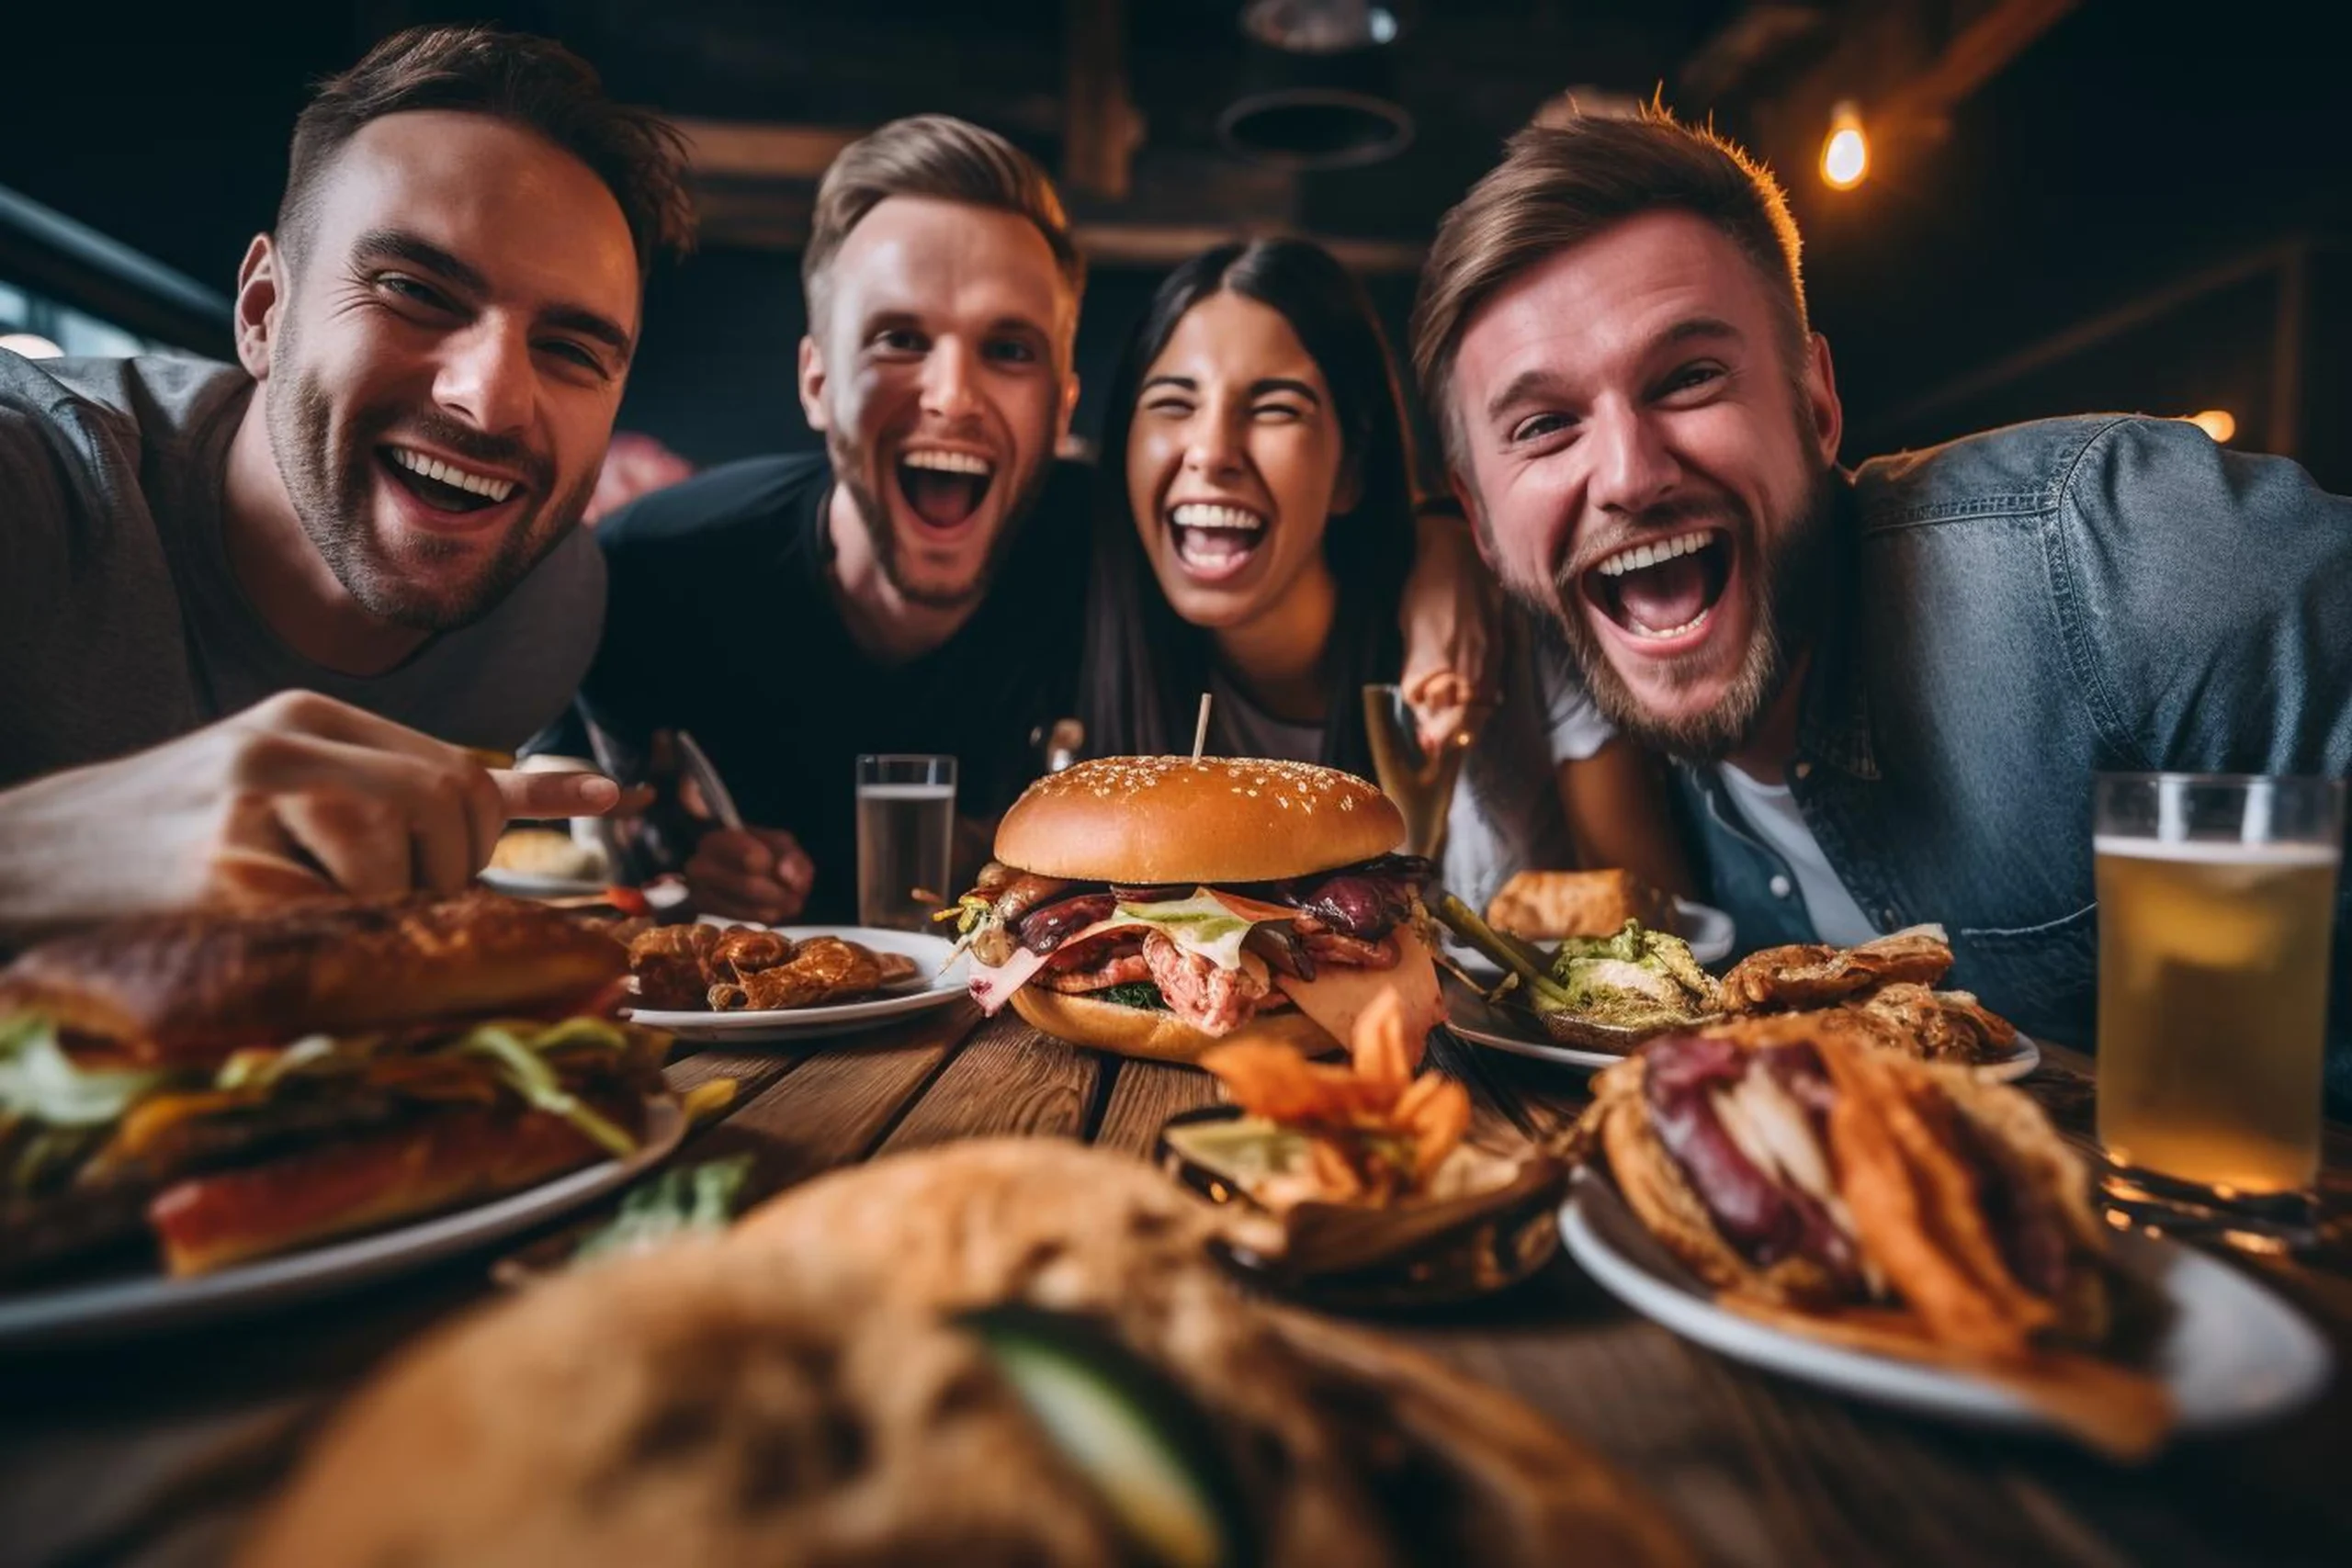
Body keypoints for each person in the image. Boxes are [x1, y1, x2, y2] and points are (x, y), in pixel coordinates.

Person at [1408, 107, 2352, 1089]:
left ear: (1814, 406)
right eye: (1546, 426)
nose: (1627, 475)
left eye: (1688, 378)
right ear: (1481, 522)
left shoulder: (2114, 548)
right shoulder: (1613, 659)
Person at [576, 120, 1495, 924]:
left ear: (1062, 406)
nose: (952, 395)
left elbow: (1336, 506)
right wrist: (661, 857)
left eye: (1007, 350)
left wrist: (1442, 549)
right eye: (900, 339)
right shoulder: (657, 562)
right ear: (816, 379)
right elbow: (576, 825)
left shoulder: (1106, 544)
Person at [0, 25, 694, 940]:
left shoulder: (551, 601)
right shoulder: (35, 485)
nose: (489, 401)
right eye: (416, 291)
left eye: (569, 349)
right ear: (262, 311)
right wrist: (52, 851)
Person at [1081, 237, 1691, 909]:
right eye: (1174, 403)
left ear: (1350, 470)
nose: (1212, 450)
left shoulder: (1510, 631)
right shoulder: (1081, 633)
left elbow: (1667, 928)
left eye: (1275, 408)